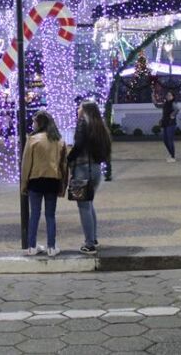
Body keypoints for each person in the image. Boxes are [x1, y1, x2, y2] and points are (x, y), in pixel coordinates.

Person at [20, 110, 68, 257]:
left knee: (34, 214)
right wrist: (63, 185)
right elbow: (64, 166)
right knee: (50, 215)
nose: (33, 124)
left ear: (39, 123)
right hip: (53, 181)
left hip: (35, 181)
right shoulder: (59, 140)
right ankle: (52, 247)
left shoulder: (33, 140)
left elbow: (26, 164)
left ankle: (32, 247)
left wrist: (23, 184)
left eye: (35, 121)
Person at [67, 101, 112, 255]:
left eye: (80, 107)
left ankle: (89, 244)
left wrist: (68, 158)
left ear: (85, 111)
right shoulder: (99, 125)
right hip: (96, 169)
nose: (78, 109)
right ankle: (94, 238)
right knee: (90, 204)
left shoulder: (82, 123)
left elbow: (78, 145)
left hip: (82, 169)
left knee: (83, 206)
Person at [154, 90, 179, 162]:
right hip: (165, 123)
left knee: (170, 140)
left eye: (170, 95)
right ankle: (171, 155)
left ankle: (173, 157)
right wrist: (153, 97)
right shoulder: (165, 103)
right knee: (165, 140)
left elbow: (177, 109)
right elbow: (157, 105)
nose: (168, 96)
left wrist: (173, 115)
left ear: (173, 97)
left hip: (171, 124)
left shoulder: (173, 103)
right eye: (167, 95)